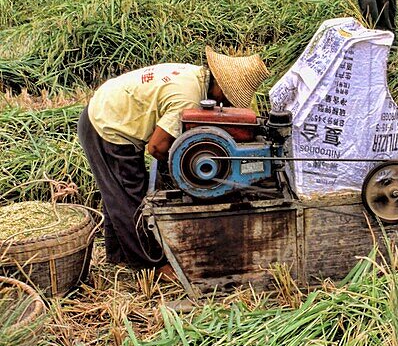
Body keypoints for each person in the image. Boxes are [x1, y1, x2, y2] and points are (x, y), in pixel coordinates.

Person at [77, 48, 268, 272]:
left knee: (116, 195)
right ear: (220, 86)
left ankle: (119, 257)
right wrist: (182, 173)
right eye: (226, 99)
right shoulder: (187, 97)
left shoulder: (197, 76)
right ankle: (150, 267)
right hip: (106, 123)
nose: (223, 105)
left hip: (110, 110)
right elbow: (157, 147)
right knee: (130, 196)